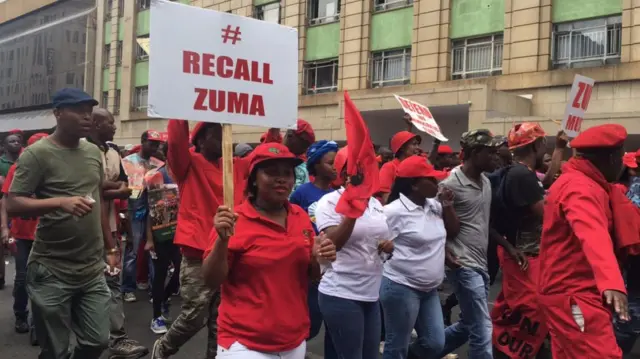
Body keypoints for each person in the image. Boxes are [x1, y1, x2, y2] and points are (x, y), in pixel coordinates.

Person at [6, 88, 118, 359]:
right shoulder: (36, 154)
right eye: (79, 111)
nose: (87, 117)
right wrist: (60, 202)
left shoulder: (93, 152)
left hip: (91, 268)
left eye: (89, 112)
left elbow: (97, 199)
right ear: (57, 113)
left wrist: (111, 247)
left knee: (97, 340)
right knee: (55, 350)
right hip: (51, 268)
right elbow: (13, 203)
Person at [202, 142, 337, 358]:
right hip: (245, 344)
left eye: (287, 173)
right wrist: (221, 241)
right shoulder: (234, 219)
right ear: (254, 179)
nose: (281, 179)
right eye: (271, 172)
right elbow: (210, 280)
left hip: (294, 340)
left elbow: (312, 276)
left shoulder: (300, 217)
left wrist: (318, 258)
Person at [538, 124, 640, 359]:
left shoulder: (588, 183)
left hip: (573, 291)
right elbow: (593, 233)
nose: (623, 163)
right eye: (620, 156)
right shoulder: (580, 187)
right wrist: (612, 282)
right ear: (611, 158)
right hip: (574, 294)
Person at [152, 119, 243, 359]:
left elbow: (267, 158)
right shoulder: (188, 164)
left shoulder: (234, 166)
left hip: (229, 254)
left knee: (221, 320)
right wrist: (180, 110)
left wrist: (275, 128)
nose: (224, 139)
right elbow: (176, 142)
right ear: (200, 140)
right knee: (194, 317)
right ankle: (163, 348)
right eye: (216, 134)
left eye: (225, 134)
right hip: (196, 255)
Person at [490, 123, 566, 359]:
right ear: (536, 144)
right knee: (530, 309)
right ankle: (508, 350)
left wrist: (560, 150)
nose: (545, 144)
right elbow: (546, 213)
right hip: (525, 255)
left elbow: (544, 185)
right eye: (544, 141)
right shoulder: (521, 174)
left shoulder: (521, 172)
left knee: (521, 308)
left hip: (525, 254)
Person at [315, 153, 393, 359]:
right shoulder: (329, 202)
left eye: (370, 168)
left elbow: (377, 239)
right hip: (341, 293)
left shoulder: (375, 204)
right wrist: (353, 206)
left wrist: (387, 247)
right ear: (345, 174)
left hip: (371, 292)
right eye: (362, 170)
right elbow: (333, 243)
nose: (368, 174)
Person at [380, 155, 458, 359]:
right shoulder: (392, 212)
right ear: (414, 185)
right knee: (397, 345)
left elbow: (452, 231)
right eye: (431, 180)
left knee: (435, 343)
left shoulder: (434, 205)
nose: (437, 183)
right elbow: (375, 245)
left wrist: (448, 205)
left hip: (429, 289)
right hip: (401, 286)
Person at [89, 108, 149, 359]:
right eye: (110, 123)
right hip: (83, 230)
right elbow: (92, 188)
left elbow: (126, 187)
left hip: (110, 228)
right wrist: (105, 189)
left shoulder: (113, 152)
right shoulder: (82, 150)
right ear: (95, 123)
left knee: (112, 280)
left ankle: (117, 338)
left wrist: (106, 190)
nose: (114, 127)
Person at [438, 129, 498, 359]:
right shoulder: (450, 184)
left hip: (480, 263)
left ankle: (419, 353)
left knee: (467, 326)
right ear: (474, 153)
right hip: (462, 264)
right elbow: (430, 222)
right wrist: (444, 251)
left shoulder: (485, 181)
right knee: (482, 327)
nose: (495, 157)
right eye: (490, 152)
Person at [2, 133, 46, 339]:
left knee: (43, 281)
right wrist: (4, 228)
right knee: (21, 279)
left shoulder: (53, 171)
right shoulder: (15, 169)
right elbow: (5, 201)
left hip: (47, 235)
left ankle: (38, 324)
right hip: (21, 235)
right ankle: (21, 314)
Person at [121, 130, 164, 302]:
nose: (155, 147)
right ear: (143, 141)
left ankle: (154, 287)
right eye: (152, 143)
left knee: (155, 251)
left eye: (157, 144)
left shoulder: (158, 163)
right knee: (132, 251)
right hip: (135, 210)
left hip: (155, 210)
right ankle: (127, 288)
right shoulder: (128, 162)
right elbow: (128, 190)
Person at [144, 159, 181, 335]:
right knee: (160, 275)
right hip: (161, 234)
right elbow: (150, 212)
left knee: (180, 272)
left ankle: (165, 298)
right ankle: (156, 317)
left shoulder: (186, 173)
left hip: (181, 233)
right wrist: (150, 239)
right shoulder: (155, 176)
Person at [0, 131, 23, 288]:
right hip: (3, 205)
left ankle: (20, 275)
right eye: (12, 141)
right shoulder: (0, 163)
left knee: (19, 243)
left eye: (18, 141)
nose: (16, 143)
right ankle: (1, 276)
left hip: (20, 207)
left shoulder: (25, 162)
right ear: (4, 146)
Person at [378, 131, 422, 204]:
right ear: (402, 148)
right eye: (414, 144)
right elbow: (386, 199)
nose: (418, 148)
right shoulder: (389, 167)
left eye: (418, 144)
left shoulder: (417, 168)